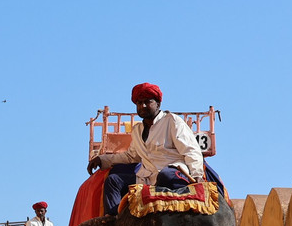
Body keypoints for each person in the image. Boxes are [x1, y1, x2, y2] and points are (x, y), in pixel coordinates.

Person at [88, 82, 205, 215]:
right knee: (113, 180)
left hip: (173, 174)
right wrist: (102, 159)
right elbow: (131, 156)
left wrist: (197, 175)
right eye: (139, 103)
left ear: (158, 104)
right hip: (147, 178)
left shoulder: (172, 121)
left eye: (147, 102)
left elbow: (191, 150)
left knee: (165, 175)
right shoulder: (137, 130)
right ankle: (113, 222)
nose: (142, 106)